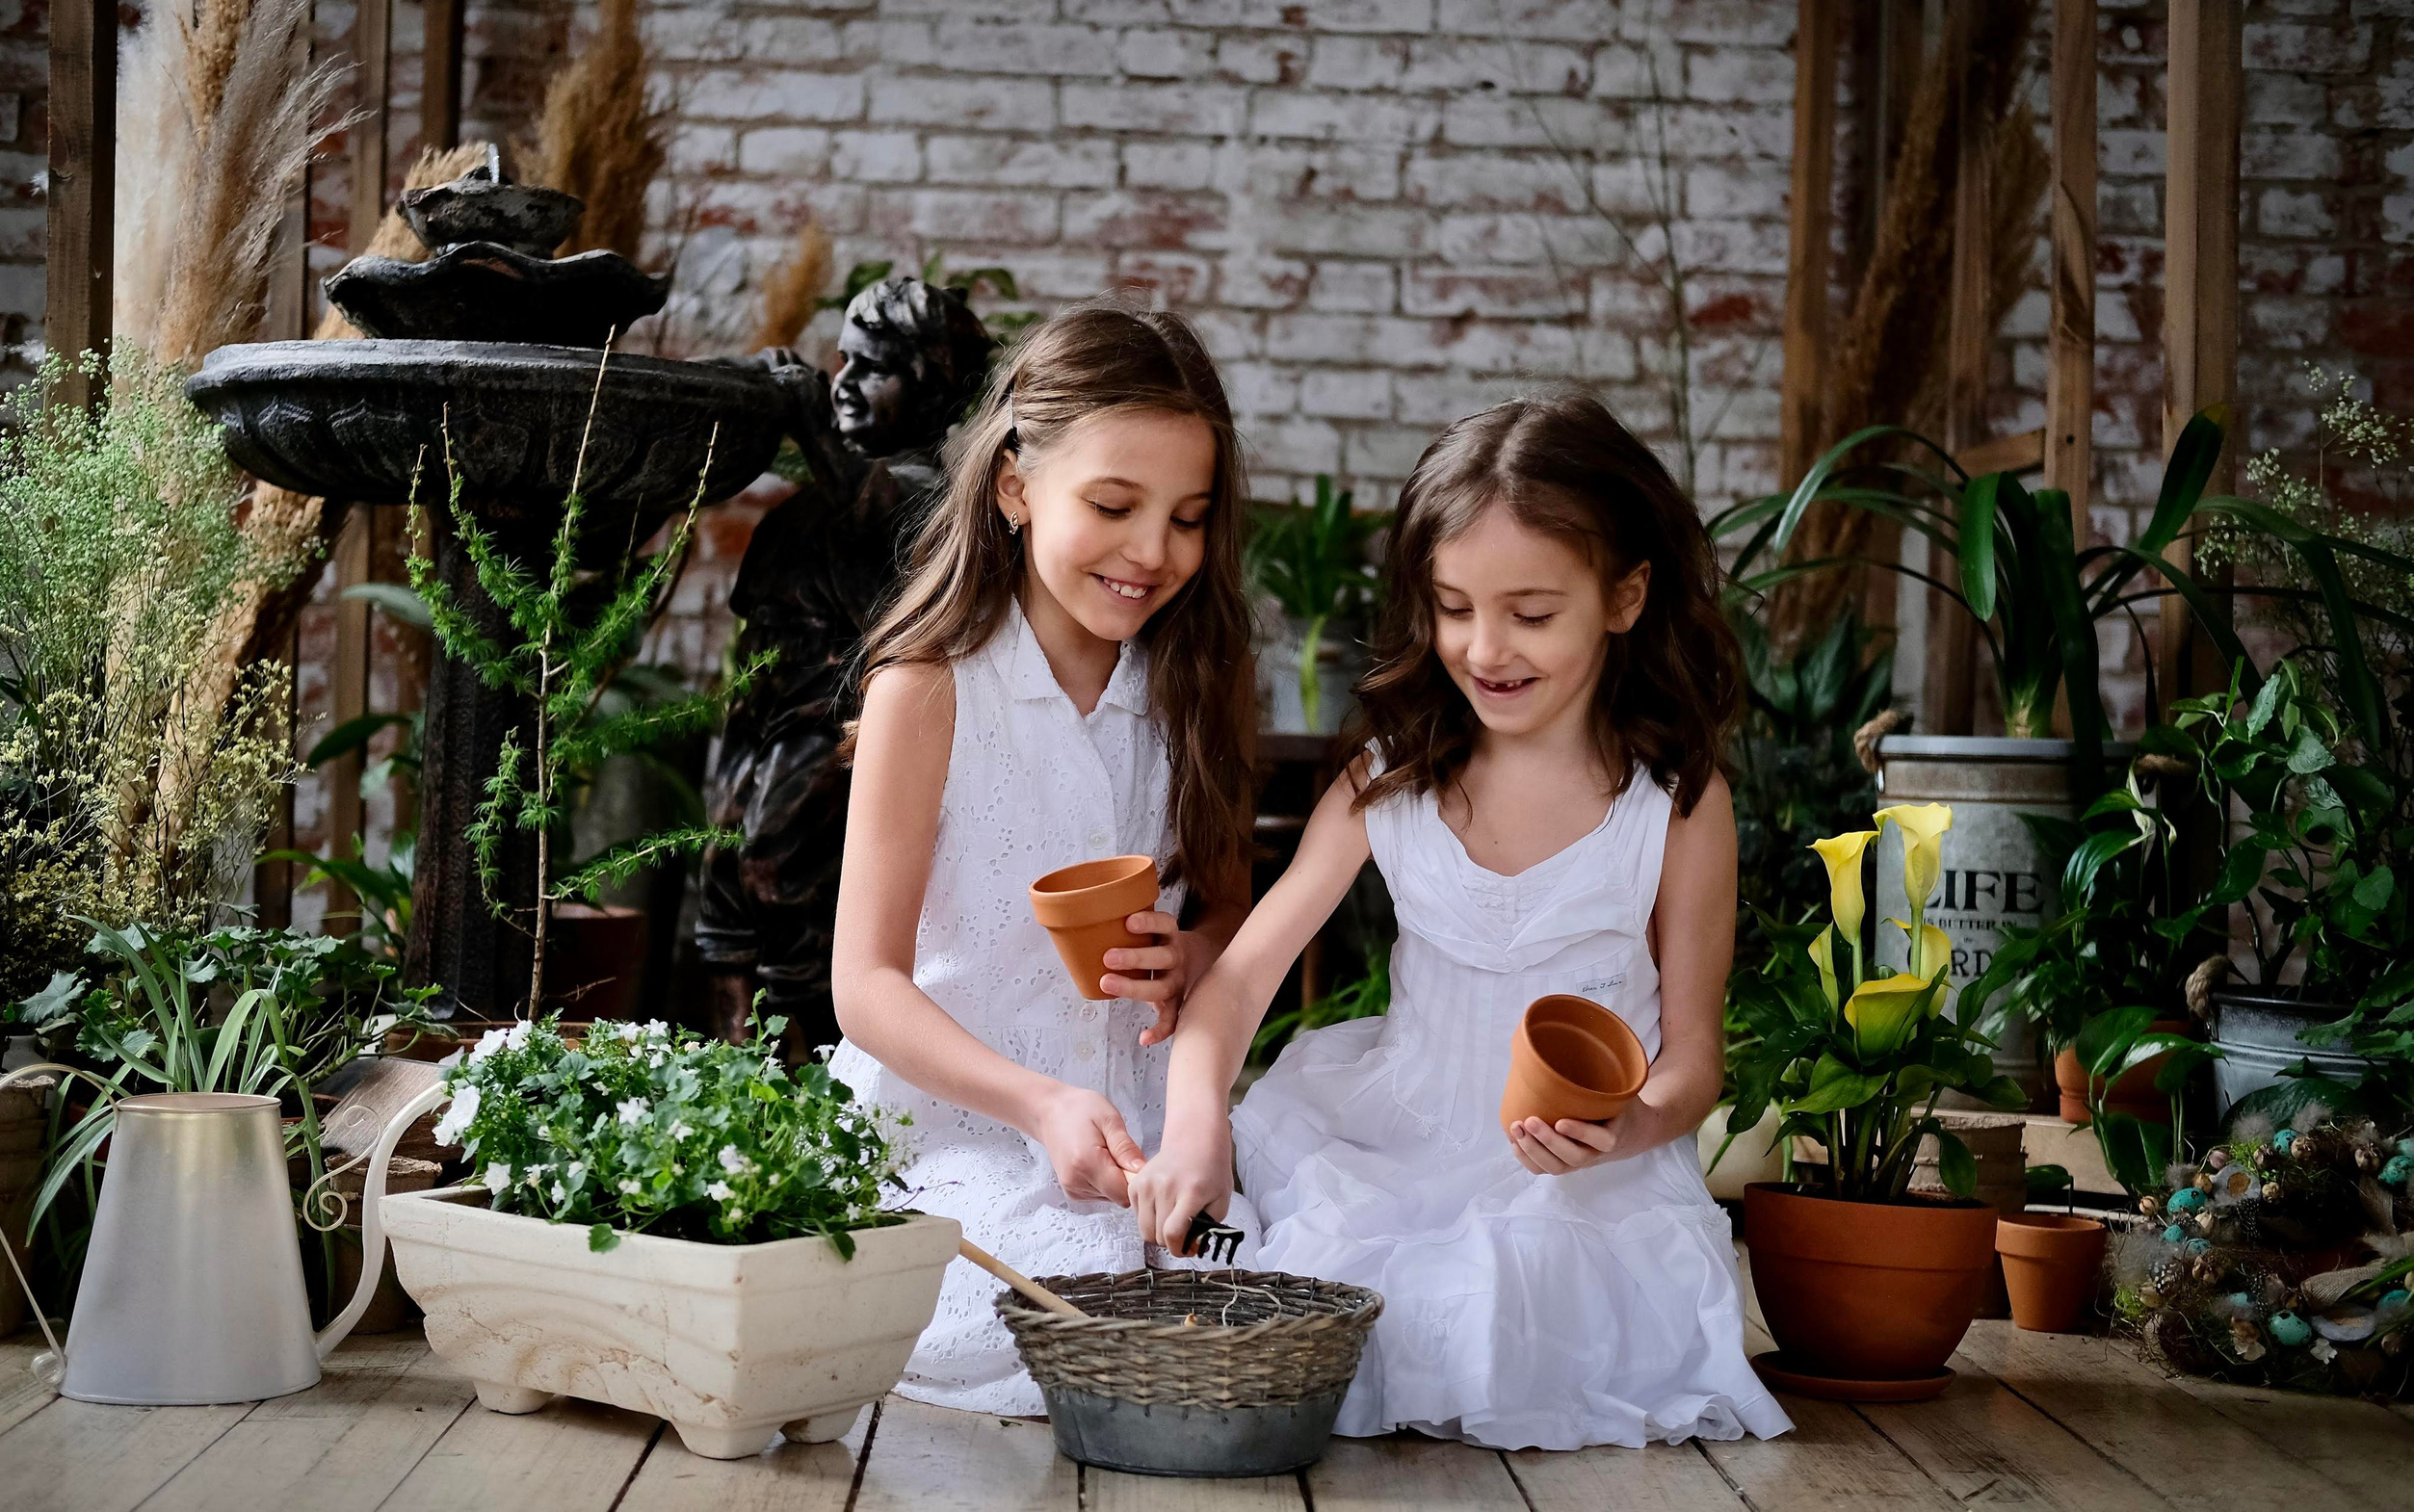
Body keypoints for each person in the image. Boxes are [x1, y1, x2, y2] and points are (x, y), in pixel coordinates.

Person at [1130, 393, 1793, 1450]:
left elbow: (1693, 1058)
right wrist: (1199, 1126)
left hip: (1583, 1187)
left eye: (1531, 614)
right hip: (1389, 1144)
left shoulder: (1670, 805)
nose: (1486, 649)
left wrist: (1627, 1127)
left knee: (1511, 1322)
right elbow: (1239, 985)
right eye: (1452, 607)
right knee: (1314, 1315)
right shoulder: (1386, 784)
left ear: (1624, 597)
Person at [827, 302, 1259, 1414]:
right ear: (1016, 488)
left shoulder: (1191, 690)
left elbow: (1228, 911)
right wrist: (1037, 1107)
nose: (1152, 552)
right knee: (1028, 1332)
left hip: (1147, 1126)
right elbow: (864, 987)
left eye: (1188, 518)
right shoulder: (927, 691)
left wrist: (1193, 952)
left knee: (1243, 1304)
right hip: (965, 1130)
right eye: (1113, 506)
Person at [695, 278, 994, 1055]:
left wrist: (807, 421)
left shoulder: (936, 506)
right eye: (841, 363)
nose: (844, 385)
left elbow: (885, 555)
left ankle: (810, 1071)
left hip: (845, 724)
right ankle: (732, 1061)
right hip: (764, 714)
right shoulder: (811, 507)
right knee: (723, 878)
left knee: (779, 875)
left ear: (930, 389)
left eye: (872, 369)